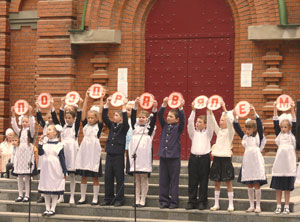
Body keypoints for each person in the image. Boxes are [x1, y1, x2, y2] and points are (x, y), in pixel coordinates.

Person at [233, 105, 267, 213]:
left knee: (256, 183)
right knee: (249, 184)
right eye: (246, 128)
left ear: (254, 129)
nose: (247, 130)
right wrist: (235, 118)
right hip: (248, 161)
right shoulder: (245, 137)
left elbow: (260, 127)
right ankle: (251, 205)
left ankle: (258, 205)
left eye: (249, 128)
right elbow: (238, 129)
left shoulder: (258, 137)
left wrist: (255, 113)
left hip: (256, 161)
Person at [51, 97, 82, 204]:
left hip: (72, 151)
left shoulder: (75, 127)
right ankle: (61, 196)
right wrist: (61, 104)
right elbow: (56, 118)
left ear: (73, 119)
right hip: (63, 150)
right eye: (66, 118)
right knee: (61, 173)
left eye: (70, 118)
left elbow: (79, 119)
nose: (68, 119)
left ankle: (72, 196)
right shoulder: (62, 126)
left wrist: (80, 106)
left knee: (72, 174)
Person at [75, 90, 103, 205]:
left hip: (94, 152)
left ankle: (95, 197)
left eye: (92, 118)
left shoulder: (99, 126)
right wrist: (86, 98)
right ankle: (82, 197)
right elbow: (83, 112)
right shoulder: (85, 124)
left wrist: (101, 99)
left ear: (96, 119)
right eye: (89, 118)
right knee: (84, 175)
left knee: (95, 176)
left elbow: (101, 113)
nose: (90, 119)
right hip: (85, 151)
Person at [128, 97, 157, 207]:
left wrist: (154, 108)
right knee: (137, 177)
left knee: (143, 177)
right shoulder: (134, 127)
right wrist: (135, 104)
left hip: (144, 155)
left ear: (147, 119)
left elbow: (154, 120)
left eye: (143, 117)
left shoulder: (149, 129)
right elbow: (132, 116)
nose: (140, 119)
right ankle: (137, 199)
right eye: (139, 117)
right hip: (135, 154)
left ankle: (143, 199)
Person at [101, 96, 129, 206]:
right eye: (114, 115)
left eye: (116, 115)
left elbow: (126, 121)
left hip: (118, 155)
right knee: (108, 176)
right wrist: (107, 104)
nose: (114, 117)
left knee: (119, 177)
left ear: (121, 118)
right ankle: (108, 198)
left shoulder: (124, 126)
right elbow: (104, 117)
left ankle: (119, 199)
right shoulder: (112, 125)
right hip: (110, 154)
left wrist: (123, 106)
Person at [158, 97, 185, 209]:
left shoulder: (178, 128)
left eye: (171, 116)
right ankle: (164, 200)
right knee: (163, 180)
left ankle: (174, 202)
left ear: (176, 119)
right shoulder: (164, 126)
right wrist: (163, 105)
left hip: (174, 157)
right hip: (164, 156)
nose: (168, 118)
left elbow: (183, 120)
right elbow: (159, 116)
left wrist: (180, 108)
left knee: (174, 180)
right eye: (168, 116)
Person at [208, 100, 235, 212]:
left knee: (228, 182)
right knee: (217, 182)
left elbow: (230, 121)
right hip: (217, 158)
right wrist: (210, 111)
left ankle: (231, 204)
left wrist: (224, 108)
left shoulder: (230, 132)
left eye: (222, 120)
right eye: (220, 120)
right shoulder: (219, 131)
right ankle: (216, 203)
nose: (220, 122)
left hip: (226, 159)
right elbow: (213, 122)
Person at [186, 101, 213, 210]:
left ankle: (202, 201)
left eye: (200, 122)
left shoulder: (208, 134)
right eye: (197, 121)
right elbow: (189, 122)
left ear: (205, 124)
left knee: (203, 181)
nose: (197, 123)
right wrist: (193, 111)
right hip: (193, 158)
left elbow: (211, 124)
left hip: (204, 159)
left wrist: (208, 111)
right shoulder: (193, 133)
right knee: (192, 181)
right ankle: (191, 201)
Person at [271, 101, 297, 214]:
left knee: (287, 187)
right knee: (278, 187)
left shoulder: (293, 135)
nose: (282, 129)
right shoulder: (279, 135)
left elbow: (295, 123)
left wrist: (292, 110)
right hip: (279, 165)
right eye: (282, 127)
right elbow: (275, 122)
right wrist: (275, 108)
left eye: (285, 127)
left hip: (289, 165)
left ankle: (286, 206)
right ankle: (278, 205)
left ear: (289, 127)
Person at [38, 124, 67, 217]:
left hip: (55, 168)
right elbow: (40, 153)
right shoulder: (45, 144)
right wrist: (40, 142)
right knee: (46, 189)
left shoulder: (59, 145)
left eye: (50, 129)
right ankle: (47, 208)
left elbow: (62, 158)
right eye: (47, 129)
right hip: (46, 168)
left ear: (55, 133)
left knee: (54, 188)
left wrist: (64, 170)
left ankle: (53, 208)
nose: (47, 131)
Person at [11, 105, 35, 202]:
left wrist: (30, 113)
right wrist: (13, 113)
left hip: (28, 153)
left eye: (26, 121)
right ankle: (20, 194)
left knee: (26, 175)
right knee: (19, 176)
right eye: (23, 122)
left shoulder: (31, 132)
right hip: (20, 154)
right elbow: (14, 125)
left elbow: (33, 125)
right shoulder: (20, 131)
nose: (24, 123)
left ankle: (27, 195)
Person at [36, 101, 56, 203]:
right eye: (48, 118)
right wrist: (38, 108)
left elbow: (56, 118)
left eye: (52, 118)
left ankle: (52, 194)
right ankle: (42, 195)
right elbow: (39, 119)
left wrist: (52, 106)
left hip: (51, 153)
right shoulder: (45, 125)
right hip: (43, 152)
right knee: (42, 173)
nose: (50, 120)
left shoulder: (56, 127)